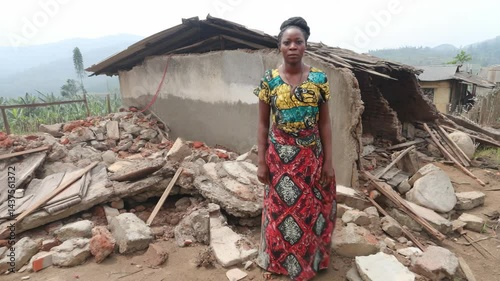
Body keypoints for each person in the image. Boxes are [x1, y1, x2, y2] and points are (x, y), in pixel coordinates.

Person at [254, 16, 337, 281]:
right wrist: (261, 161)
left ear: (305, 46)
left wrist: (328, 161)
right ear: (279, 46)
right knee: (279, 212)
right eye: (287, 42)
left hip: (310, 157)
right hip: (278, 158)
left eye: (298, 42)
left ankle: (308, 264)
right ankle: (279, 264)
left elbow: (324, 123)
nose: (293, 46)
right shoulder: (269, 81)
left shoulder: (319, 79)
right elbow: (262, 124)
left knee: (309, 212)